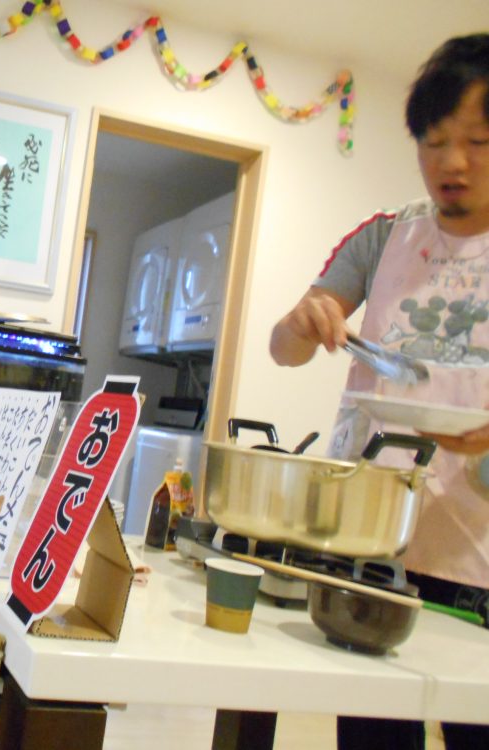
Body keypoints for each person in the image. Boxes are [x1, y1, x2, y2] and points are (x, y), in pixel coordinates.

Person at [270, 33, 489, 750]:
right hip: (369, 543)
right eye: (434, 141)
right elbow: (284, 348)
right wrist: (303, 323)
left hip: (477, 555)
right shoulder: (385, 237)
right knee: (371, 739)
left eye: (478, 142)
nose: (452, 163)